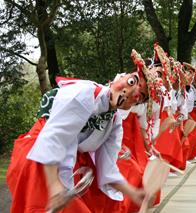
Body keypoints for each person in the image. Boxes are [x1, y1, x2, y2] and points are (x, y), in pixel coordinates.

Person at [6, 49, 157, 213]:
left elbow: (107, 167)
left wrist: (133, 193)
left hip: (72, 159)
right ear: (121, 77)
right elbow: (53, 138)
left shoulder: (114, 122)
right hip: (40, 153)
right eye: (132, 82)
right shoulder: (84, 94)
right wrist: (55, 184)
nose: (132, 92)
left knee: (99, 202)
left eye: (140, 96)